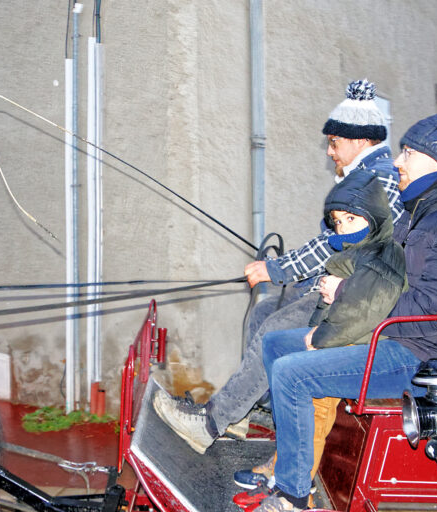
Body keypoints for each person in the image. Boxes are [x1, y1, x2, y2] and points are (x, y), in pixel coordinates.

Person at [251, 112, 437, 511]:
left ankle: (292, 496)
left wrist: (346, 296)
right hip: (393, 335)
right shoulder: (423, 214)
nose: (398, 163)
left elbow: (429, 308)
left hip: (425, 358)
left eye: (408, 153)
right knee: (276, 345)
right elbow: (380, 273)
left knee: (291, 373)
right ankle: (291, 461)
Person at [153, 79, 403, 455]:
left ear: (360, 141)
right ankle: (245, 413)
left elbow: (338, 244)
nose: (330, 152)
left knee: (274, 327)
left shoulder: (377, 178)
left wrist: (279, 270)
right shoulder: (364, 174)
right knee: (265, 309)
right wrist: (282, 271)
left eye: (334, 143)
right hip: (341, 281)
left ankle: (211, 424)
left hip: (359, 295)